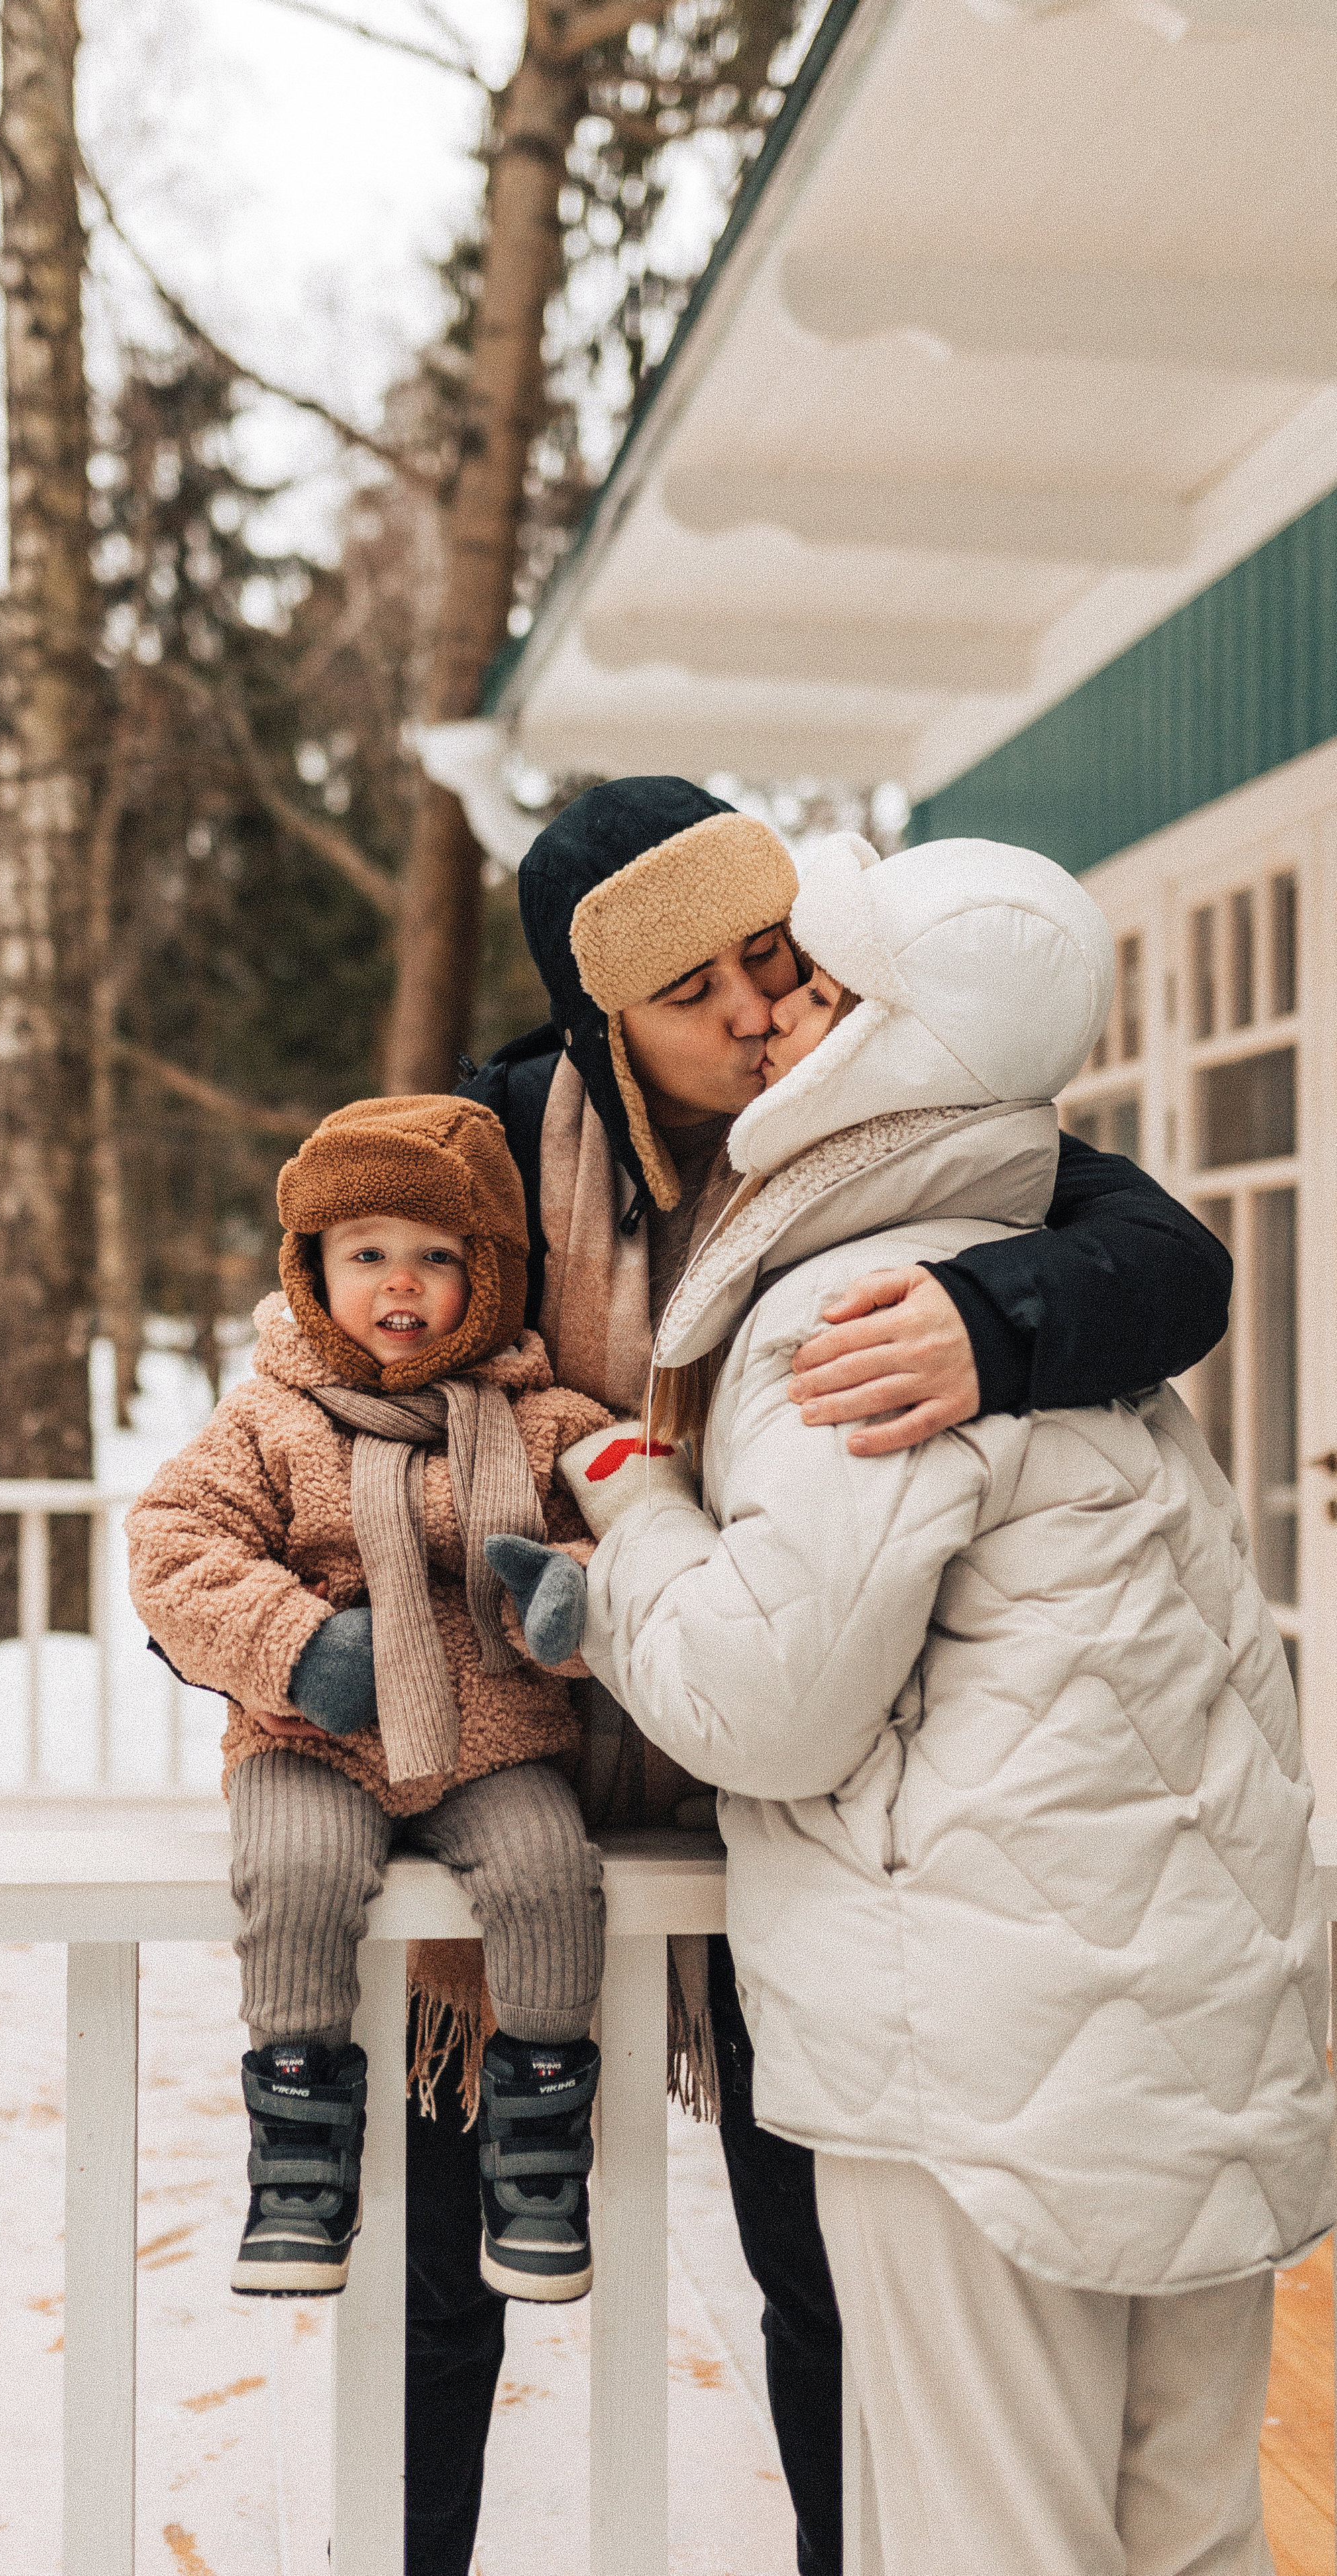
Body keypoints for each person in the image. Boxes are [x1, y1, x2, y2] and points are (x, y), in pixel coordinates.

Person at [412, 776, 1233, 2576]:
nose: (749, 1010)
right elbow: (329, 1348)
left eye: (768, 956)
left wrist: (990, 1323)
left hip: (803, 1810)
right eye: (687, 987)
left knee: (829, 2301)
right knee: (447, 2279)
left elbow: (1177, 1262)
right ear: (595, 1020)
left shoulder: (883, 1137)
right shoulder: (485, 1149)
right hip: (516, 1786)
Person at [125, 1095, 611, 2304]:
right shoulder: (271, 1418)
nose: (401, 1284)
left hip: (492, 1737)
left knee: (552, 1872)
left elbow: (635, 1542)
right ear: (313, 1270)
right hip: (317, 1736)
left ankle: (541, 2142)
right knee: (293, 1870)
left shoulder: (544, 1422)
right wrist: (294, 1646)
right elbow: (175, 1544)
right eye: (367, 1255)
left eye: (437, 1258)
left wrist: (574, 1607)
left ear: (488, 1277)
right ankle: (298, 2150)